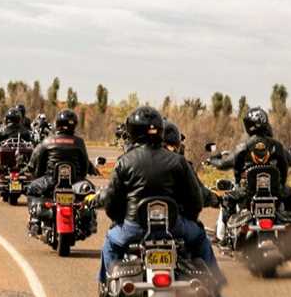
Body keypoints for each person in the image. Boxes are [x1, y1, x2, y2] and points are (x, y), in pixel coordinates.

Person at [94, 106, 222, 287]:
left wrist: (120, 220)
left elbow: (112, 202)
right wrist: (189, 219)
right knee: (201, 238)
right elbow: (195, 199)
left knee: (110, 243)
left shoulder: (124, 162)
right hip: (174, 227)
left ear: (133, 132)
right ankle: (215, 286)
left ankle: (107, 287)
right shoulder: (178, 161)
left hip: (134, 227)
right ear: (160, 130)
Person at [208, 107, 291, 243]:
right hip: (276, 192)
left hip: (247, 192)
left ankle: (226, 237)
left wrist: (213, 160)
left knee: (227, 199)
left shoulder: (243, 147)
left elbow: (224, 164)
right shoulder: (277, 146)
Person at [162, 119, 220, 209]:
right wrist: (216, 199)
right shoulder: (181, 163)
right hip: (175, 218)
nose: (182, 146)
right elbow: (198, 193)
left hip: (139, 218)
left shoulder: (135, 161)